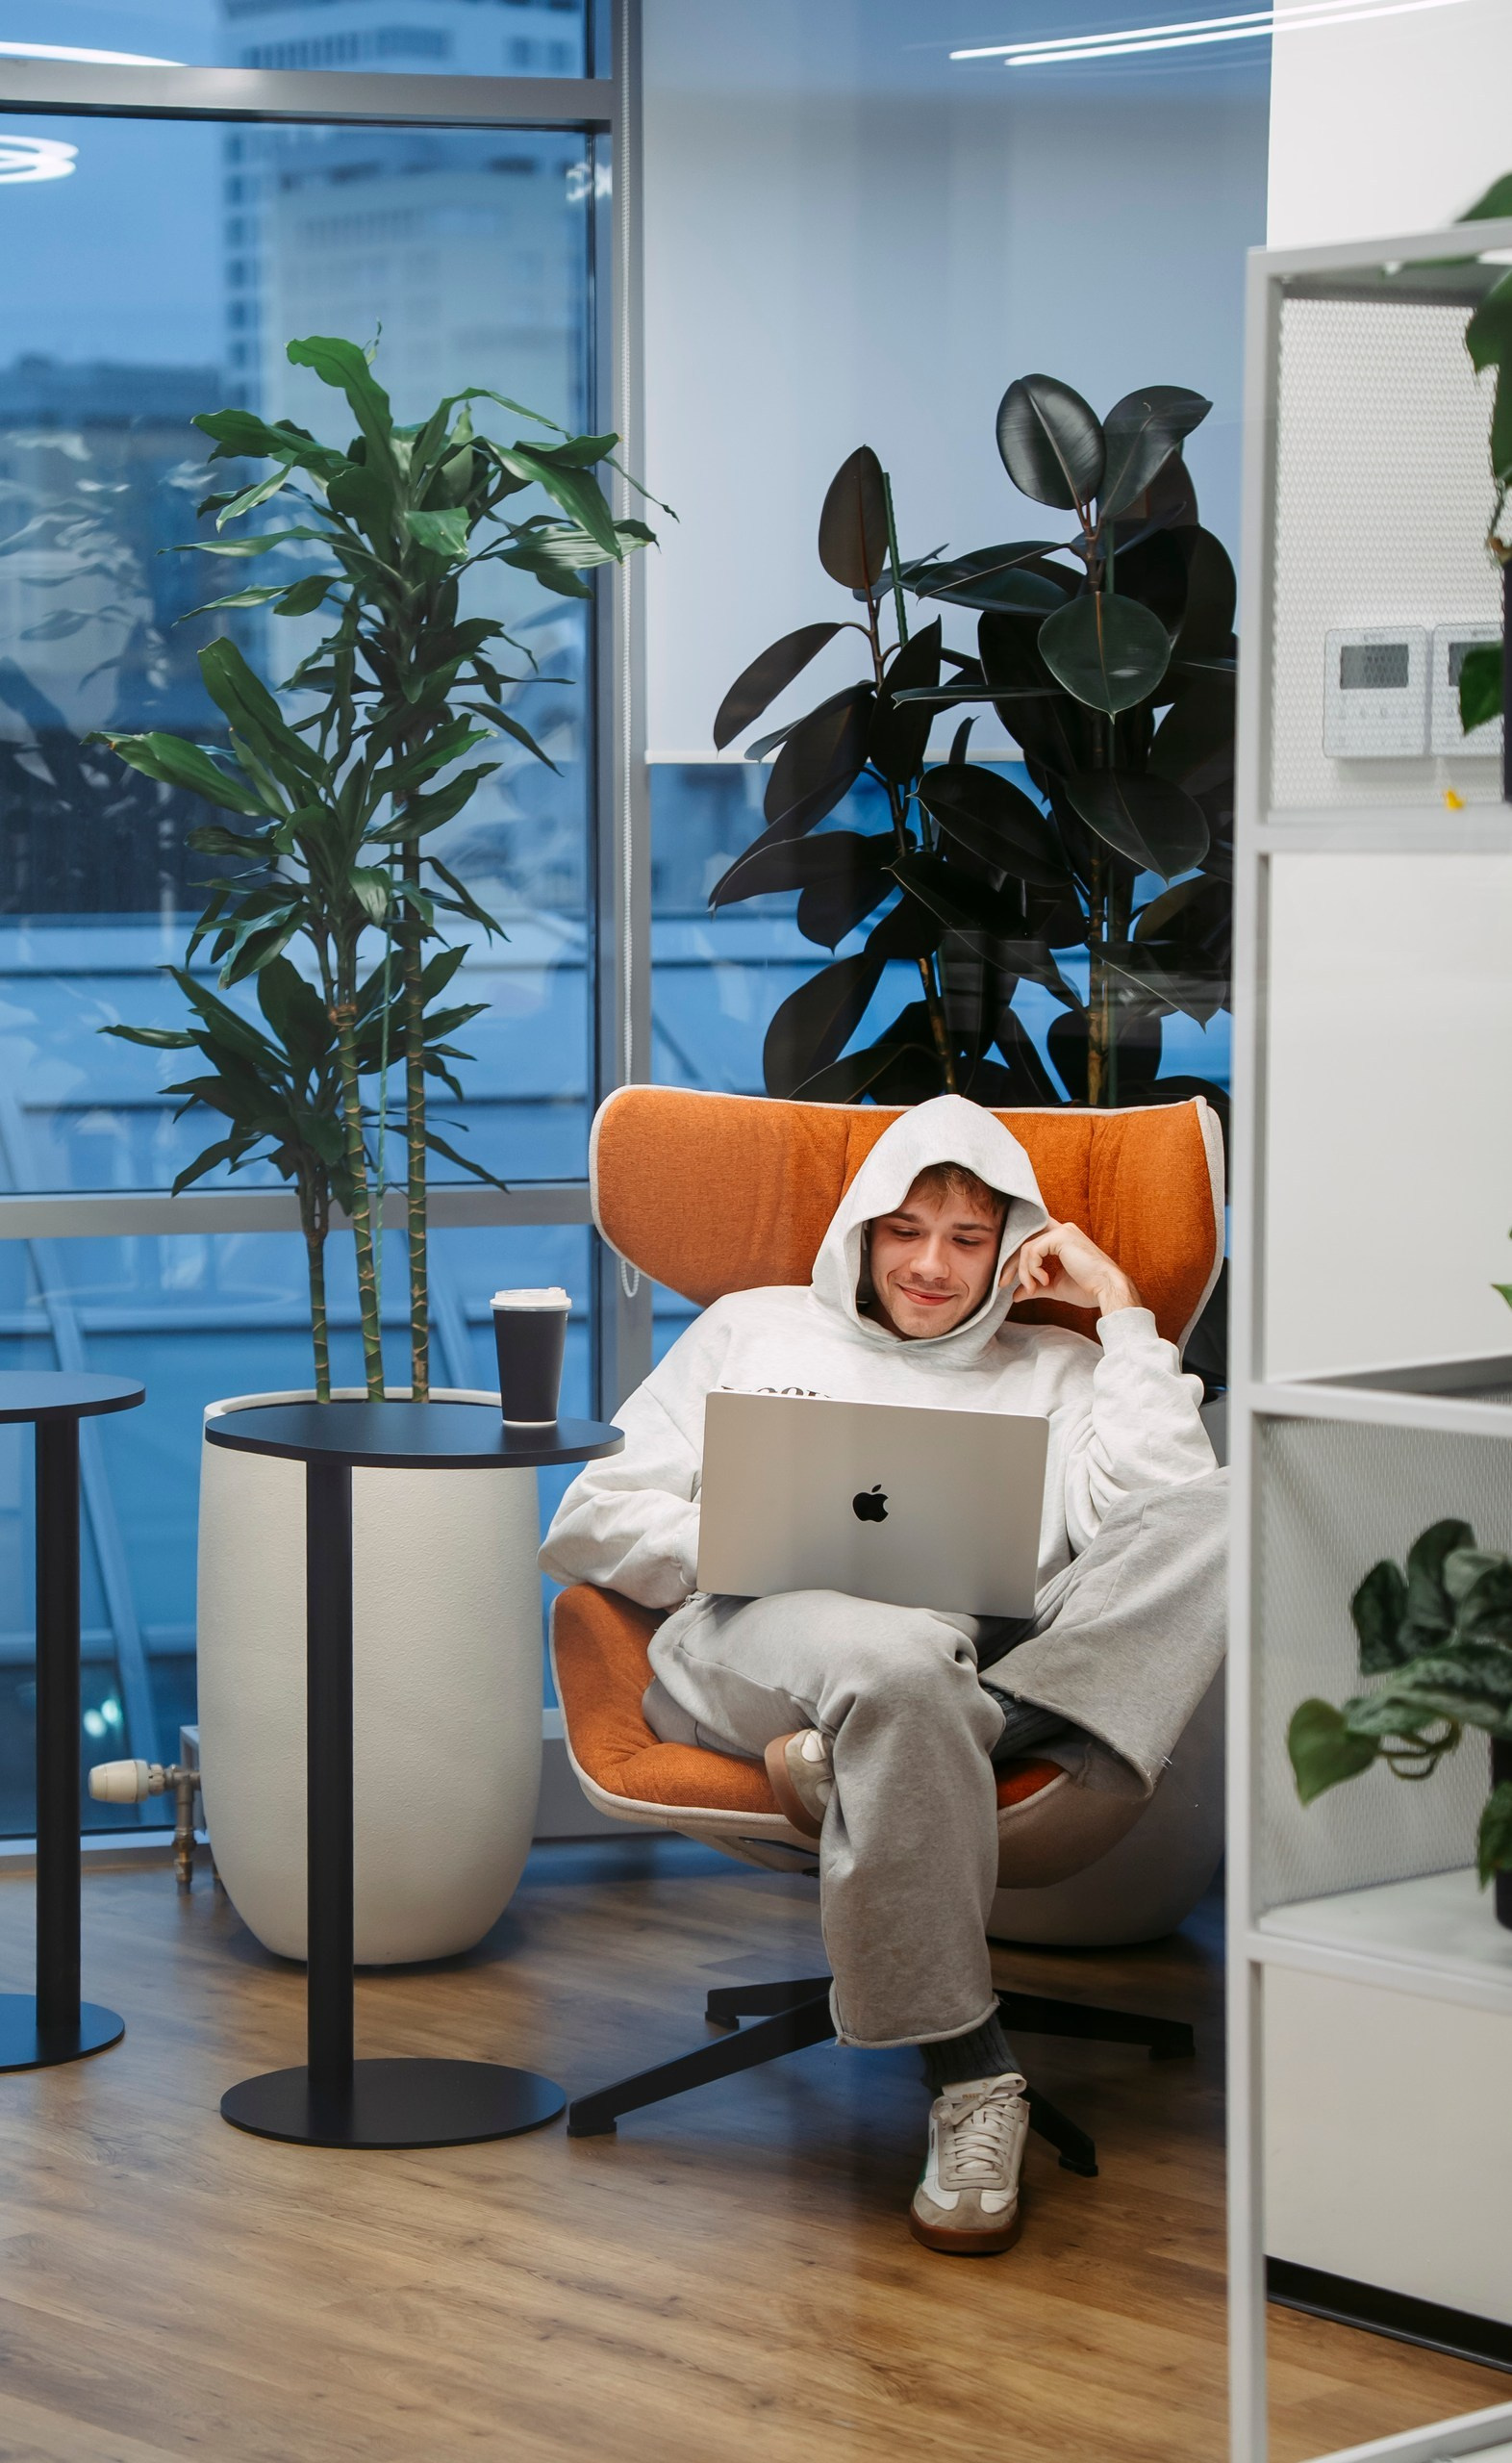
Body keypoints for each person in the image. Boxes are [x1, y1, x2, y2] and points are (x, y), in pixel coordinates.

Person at [541, 1095, 1224, 2257]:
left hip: (966, 1656)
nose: (931, 1266)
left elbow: (1163, 1512)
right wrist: (751, 1530)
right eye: (905, 1230)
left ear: (1013, 1246)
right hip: (752, 1637)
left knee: (1219, 1511)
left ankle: (943, 1727)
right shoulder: (751, 1331)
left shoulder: (1058, 1368)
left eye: (968, 1238)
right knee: (902, 1658)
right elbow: (591, 1517)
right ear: (861, 1228)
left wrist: (1118, 1311)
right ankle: (972, 2074)